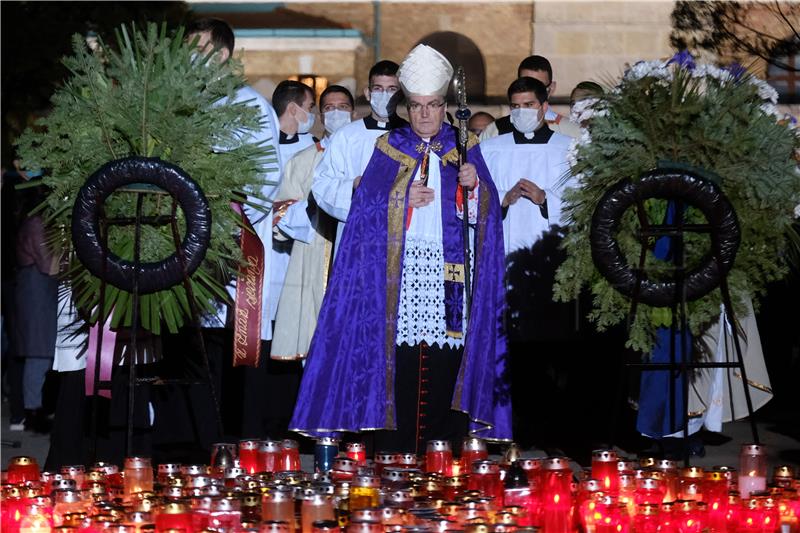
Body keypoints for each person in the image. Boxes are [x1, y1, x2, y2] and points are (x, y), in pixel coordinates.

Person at [290, 44, 511, 453]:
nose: (425, 114)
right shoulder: (388, 148)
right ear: (405, 108)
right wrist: (400, 200)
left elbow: (488, 219)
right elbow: (361, 211)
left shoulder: (467, 148)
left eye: (434, 105)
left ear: (445, 106)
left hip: (451, 273)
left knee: (447, 359)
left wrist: (472, 186)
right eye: (417, 105)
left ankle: (442, 451)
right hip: (399, 276)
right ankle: (393, 451)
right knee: (399, 358)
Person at [479, 77, 574, 450]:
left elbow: (582, 202)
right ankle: (510, 428)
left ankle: (550, 431)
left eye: (529, 105)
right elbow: (476, 202)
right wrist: (501, 200)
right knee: (513, 348)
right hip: (505, 261)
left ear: (544, 104)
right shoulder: (494, 149)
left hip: (551, 260)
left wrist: (545, 197)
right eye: (515, 105)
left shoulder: (568, 148)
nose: (522, 112)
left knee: (550, 348)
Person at [270, 85, 354, 361]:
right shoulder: (303, 160)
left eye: (343, 107)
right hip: (313, 263)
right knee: (314, 351)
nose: (336, 113)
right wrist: (314, 206)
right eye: (329, 108)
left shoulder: (370, 157)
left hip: (357, 265)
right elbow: (278, 219)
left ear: (353, 112)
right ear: (319, 115)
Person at [311, 60, 408, 249]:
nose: (385, 95)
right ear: (368, 93)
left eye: (391, 89)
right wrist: (352, 187)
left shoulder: (411, 135)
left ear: (401, 94)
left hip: (401, 233)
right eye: (379, 89)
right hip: (357, 233)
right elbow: (322, 183)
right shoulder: (346, 136)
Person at [481, 55, 581, 141]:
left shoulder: (572, 131)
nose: (530, 92)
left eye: (539, 86)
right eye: (526, 84)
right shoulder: (495, 130)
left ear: (551, 88)